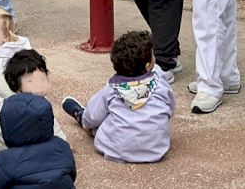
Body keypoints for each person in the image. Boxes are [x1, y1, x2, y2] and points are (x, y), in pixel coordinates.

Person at [62, 30, 175, 164]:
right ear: (148, 65)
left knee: (99, 117)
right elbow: (170, 108)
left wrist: (86, 123)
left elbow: (92, 117)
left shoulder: (112, 89)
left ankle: (80, 114)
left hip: (115, 149)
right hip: (156, 149)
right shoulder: (160, 83)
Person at [0, 48, 69, 153]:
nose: (39, 85)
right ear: (16, 86)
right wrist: (63, 146)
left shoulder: (8, 102)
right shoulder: (19, 107)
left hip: (1, 148)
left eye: (42, 79)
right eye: (30, 81)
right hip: (6, 151)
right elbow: (56, 133)